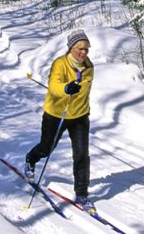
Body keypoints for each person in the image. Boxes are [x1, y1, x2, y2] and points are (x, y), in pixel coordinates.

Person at [25, 29, 96, 210]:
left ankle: (81, 194)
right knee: (47, 148)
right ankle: (31, 160)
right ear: (71, 47)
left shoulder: (89, 67)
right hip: (56, 114)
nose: (83, 52)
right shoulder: (60, 64)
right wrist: (66, 88)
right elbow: (54, 85)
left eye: (86, 49)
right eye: (80, 48)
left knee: (81, 155)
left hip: (79, 116)